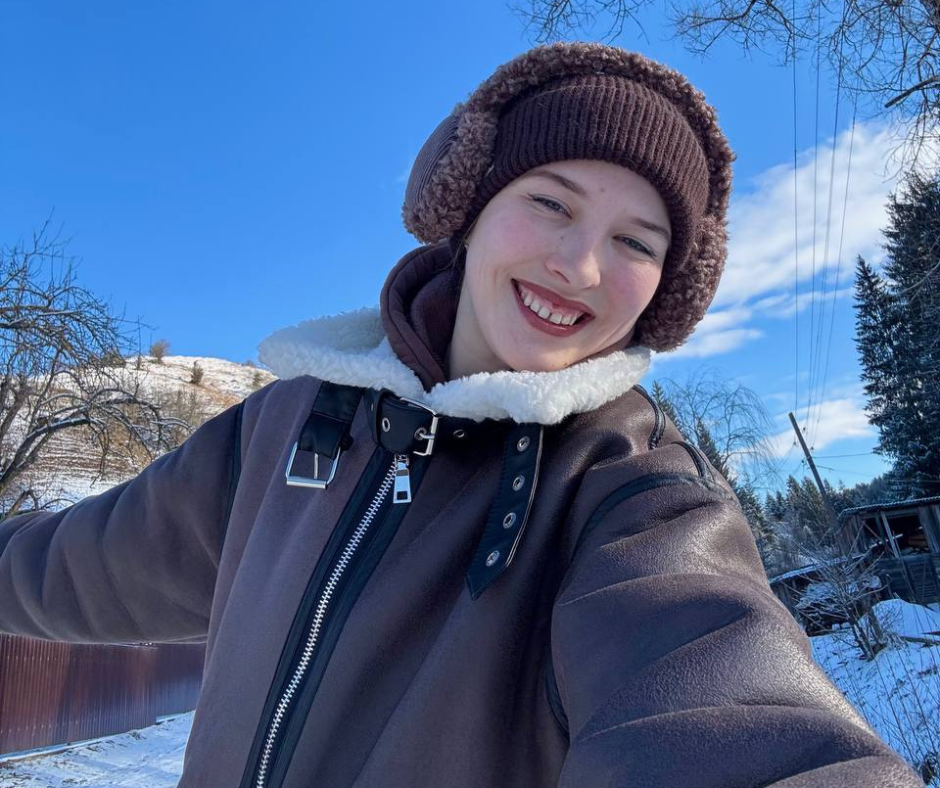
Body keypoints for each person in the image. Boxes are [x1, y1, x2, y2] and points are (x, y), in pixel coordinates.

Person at [0, 42, 924, 788]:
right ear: (468, 208)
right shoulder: (279, 430)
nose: (581, 266)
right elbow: (62, 568)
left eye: (635, 243)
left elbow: (728, 703)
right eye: (549, 202)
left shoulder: (635, 495)